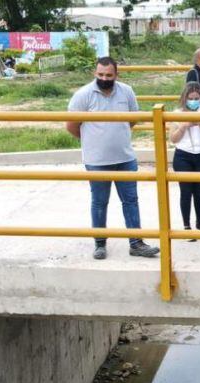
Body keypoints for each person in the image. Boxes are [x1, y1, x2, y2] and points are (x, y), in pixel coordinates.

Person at [67, 57, 159, 260]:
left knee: (131, 201)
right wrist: (94, 141)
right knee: (100, 202)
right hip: (97, 162)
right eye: (100, 74)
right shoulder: (83, 95)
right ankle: (100, 243)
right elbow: (72, 126)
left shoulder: (126, 91)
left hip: (125, 158)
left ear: (116, 74)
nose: (104, 78)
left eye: (109, 75)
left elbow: (132, 119)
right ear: (94, 73)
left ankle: (136, 243)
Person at [170, 81, 200, 239]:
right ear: (185, 98)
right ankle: (186, 226)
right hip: (183, 155)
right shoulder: (177, 113)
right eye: (190, 98)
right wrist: (184, 126)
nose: (193, 101)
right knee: (185, 192)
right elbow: (173, 139)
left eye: (196, 98)